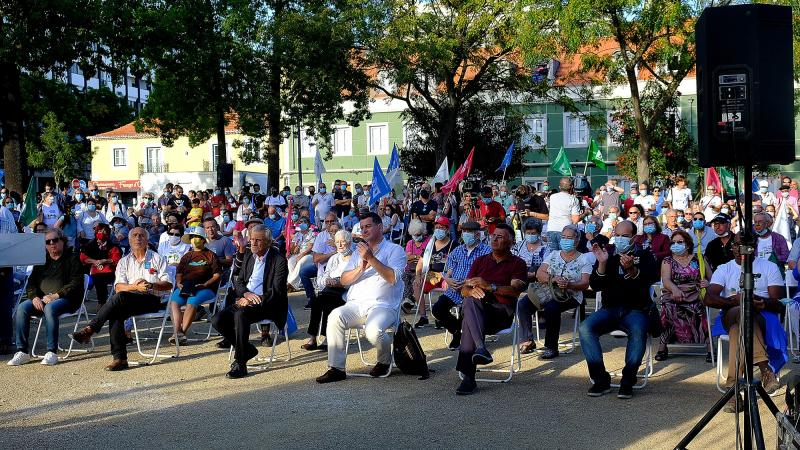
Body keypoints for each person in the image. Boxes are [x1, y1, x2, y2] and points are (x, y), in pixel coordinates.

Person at [315, 212, 406, 383]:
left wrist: (371, 259)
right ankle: (336, 368)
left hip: (384, 306)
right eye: (362, 227)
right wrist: (360, 269)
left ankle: (385, 361)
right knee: (335, 316)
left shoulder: (395, 250)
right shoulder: (358, 253)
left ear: (380, 227)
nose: (364, 230)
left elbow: (393, 278)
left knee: (373, 331)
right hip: (356, 304)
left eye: (368, 226)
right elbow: (343, 279)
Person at [69, 228, 173, 371]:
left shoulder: (157, 258)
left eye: (141, 235)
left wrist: (151, 284)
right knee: (116, 311)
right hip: (129, 298)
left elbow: (168, 284)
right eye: (135, 236)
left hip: (152, 298)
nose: (138, 238)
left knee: (119, 301)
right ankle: (120, 359)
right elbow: (118, 287)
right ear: (129, 241)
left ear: (147, 241)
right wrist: (134, 286)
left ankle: (91, 329)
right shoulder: (124, 262)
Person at [705, 233, 785, 410]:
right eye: (735, 244)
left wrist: (755, 299)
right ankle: (765, 370)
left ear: (754, 247)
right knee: (742, 312)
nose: (737, 248)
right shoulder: (724, 268)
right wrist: (735, 300)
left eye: (742, 245)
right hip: (731, 312)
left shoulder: (769, 267)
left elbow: (778, 303)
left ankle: (733, 391)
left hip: (761, 315)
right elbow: (709, 299)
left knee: (738, 329)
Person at [580, 220, 658, 399]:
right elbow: (595, 285)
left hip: (636, 309)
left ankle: (628, 380)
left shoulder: (644, 255)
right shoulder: (609, 255)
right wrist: (601, 263)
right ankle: (600, 379)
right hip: (610, 309)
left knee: (638, 331)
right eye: (618, 235)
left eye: (625, 236)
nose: (620, 239)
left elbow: (649, 280)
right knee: (585, 328)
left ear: (634, 237)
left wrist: (631, 270)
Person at [453, 223, 527, 395]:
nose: (494, 239)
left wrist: (489, 287)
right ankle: (480, 349)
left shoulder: (517, 263)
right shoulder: (481, 261)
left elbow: (515, 291)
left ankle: (469, 376)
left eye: (500, 237)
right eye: (493, 235)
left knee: (469, 319)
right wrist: (471, 290)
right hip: (479, 311)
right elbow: (464, 290)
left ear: (510, 242)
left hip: (501, 312)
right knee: (470, 301)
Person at [212, 225, 288, 378]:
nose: (253, 243)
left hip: (268, 304)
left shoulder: (278, 259)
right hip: (246, 300)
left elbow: (276, 291)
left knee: (241, 315)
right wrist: (246, 294)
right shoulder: (248, 255)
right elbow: (239, 281)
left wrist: (254, 300)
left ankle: (240, 363)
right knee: (217, 319)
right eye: (251, 239)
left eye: (257, 240)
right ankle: (246, 349)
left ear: (267, 242)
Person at [7, 229, 84, 366]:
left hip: (68, 300)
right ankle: (23, 352)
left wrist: (56, 295)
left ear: (62, 241)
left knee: (50, 307)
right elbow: (31, 283)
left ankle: (52, 352)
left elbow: (76, 282)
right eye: (48, 242)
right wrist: (34, 297)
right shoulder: (42, 261)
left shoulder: (72, 258)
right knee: (22, 308)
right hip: (42, 300)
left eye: (55, 240)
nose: (52, 243)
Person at [521, 225, 591, 359]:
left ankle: (551, 346)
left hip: (571, 294)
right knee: (524, 304)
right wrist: (553, 279)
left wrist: (569, 284)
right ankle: (527, 340)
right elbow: (539, 273)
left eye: (569, 238)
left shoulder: (584, 259)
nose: (565, 240)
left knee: (552, 307)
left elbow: (585, 283)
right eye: (563, 237)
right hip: (548, 290)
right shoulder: (553, 255)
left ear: (577, 240)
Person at [431, 221, 492, 350]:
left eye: (469, 232)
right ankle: (457, 330)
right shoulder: (457, 250)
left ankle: (468, 337)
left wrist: (467, 283)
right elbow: (448, 270)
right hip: (454, 289)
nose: (466, 235)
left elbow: (486, 275)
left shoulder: (487, 251)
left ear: (477, 234)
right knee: (437, 309)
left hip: (473, 290)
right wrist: (448, 280)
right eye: (464, 232)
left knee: (469, 310)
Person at [656, 229, 711, 362]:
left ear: (687, 244)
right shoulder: (667, 260)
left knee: (700, 307)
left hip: (695, 293)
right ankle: (662, 347)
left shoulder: (699, 258)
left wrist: (707, 282)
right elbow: (666, 280)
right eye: (673, 242)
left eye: (679, 242)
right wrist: (675, 290)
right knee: (668, 306)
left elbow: (712, 277)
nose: (676, 244)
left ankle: (710, 348)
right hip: (674, 293)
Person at [168, 226, 221, 344]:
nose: (194, 239)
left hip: (205, 287)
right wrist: (178, 283)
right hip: (186, 285)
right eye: (192, 237)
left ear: (203, 240)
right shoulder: (187, 256)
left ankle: (182, 333)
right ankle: (178, 332)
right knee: (174, 302)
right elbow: (179, 273)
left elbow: (217, 275)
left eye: (196, 237)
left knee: (192, 301)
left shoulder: (211, 255)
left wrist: (206, 284)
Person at [303, 229, 354, 351]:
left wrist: (341, 283)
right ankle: (313, 337)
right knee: (316, 301)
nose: (340, 245)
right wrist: (327, 281)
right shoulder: (334, 258)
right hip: (329, 289)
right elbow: (323, 277)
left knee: (328, 304)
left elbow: (357, 280)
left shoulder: (355, 258)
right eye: (337, 242)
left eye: (343, 242)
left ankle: (327, 338)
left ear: (350, 243)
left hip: (344, 292)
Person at [412, 217, 455, 328]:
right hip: (431, 275)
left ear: (447, 229)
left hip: (447, 275)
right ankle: (423, 317)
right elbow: (420, 263)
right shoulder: (430, 245)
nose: (438, 230)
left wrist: (446, 275)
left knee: (448, 286)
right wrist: (418, 275)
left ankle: (442, 316)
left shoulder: (453, 245)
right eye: (436, 227)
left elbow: (457, 264)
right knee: (417, 284)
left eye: (441, 227)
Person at [298, 212, 339, 310]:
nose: (329, 224)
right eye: (327, 222)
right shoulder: (321, 236)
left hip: (339, 267)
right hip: (323, 266)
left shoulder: (343, 234)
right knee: (303, 272)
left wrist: (337, 245)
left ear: (337, 222)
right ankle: (312, 299)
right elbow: (316, 259)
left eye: (332, 221)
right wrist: (333, 254)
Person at [80, 223, 122, 306]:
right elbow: (83, 257)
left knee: (99, 279)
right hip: (91, 270)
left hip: (109, 272)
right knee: (80, 278)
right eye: (100, 231)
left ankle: (102, 303)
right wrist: (94, 262)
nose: (102, 233)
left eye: (104, 231)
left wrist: (105, 260)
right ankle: (77, 303)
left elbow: (116, 259)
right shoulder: (90, 244)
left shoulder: (112, 245)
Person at [546, 178, 581, 251]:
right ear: (571, 187)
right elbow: (575, 220)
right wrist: (585, 214)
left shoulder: (552, 197)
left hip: (551, 229)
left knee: (552, 256)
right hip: (565, 231)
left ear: (559, 187)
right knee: (565, 254)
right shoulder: (574, 199)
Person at [402, 220, 429, 312]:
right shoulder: (410, 243)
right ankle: (408, 300)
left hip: (423, 270)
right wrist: (417, 257)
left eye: (418, 234)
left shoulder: (428, 241)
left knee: (415, 280)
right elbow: (407, 257)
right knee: (404, 277)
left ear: (422, 233)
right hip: (410, 268)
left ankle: (409, 302)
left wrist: (414, 257)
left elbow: (427, 257)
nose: (416, 237)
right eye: (414, 235)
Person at [287, 217, 316, 290]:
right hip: (299, 254)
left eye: (304, 222)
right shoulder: (297, 235)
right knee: (291, 261)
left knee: (301, 262)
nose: (302, 224)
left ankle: (291, 284)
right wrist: (290, 250)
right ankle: (293, 283)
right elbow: (292, 247)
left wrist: (302, 255)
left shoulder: (312, 233)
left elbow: (310, 247)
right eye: (300, 222)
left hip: (309, 255)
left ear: (308, 224)